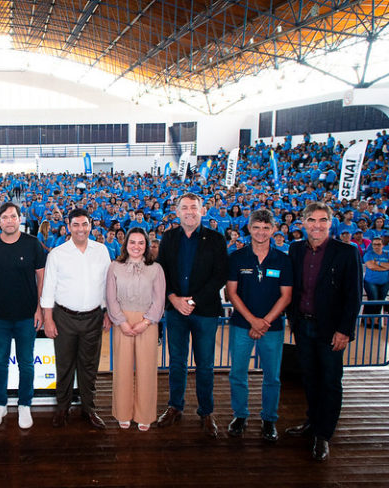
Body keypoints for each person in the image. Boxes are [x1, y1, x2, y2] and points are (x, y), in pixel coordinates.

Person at [285, 202, 362, 462]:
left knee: (330, 380)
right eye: (311, 220)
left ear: (331, 223)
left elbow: (353, 296)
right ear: (303, 223)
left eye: (322, 220)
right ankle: (312, 421)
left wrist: (345, 330)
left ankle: (323, 434)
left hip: (331, 330)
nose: (316, 225)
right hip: (302, 325)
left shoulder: (347, 252)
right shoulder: (295, 250)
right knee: (309, 376)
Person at [155, 193, 228, 438]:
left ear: (202, 211)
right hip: (176, 310)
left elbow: (219, 276)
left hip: (205, 312)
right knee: (177, 363)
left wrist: (193, 301)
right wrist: (174, 298)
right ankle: (175, 407)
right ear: (177, 212)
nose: (189, 211)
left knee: (205, 365)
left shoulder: (216, 239)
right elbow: (161, 272)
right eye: (184, 207)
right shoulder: (168, 237)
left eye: (193, 207)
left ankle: (206, 411)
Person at [225, 209, 293, 442]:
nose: (261, 232)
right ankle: (240, 415)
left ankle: (269, 419)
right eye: (257, 227)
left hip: (272, 328)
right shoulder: (237, 257)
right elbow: (231, 293)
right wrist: (253, 320)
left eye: (266, 228)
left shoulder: (283, 260)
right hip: (242, 325)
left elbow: (286, 296)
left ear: (273, 229)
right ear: (249, 228)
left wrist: (264, 322)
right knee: (237, 373)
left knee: (272, 376)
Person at [42, 208, 111, 429]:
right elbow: (48, 288)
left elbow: (107, 285)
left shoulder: (101, 251)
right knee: (64, 365)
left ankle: (88, 409)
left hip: (93, 317)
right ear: (68, 226)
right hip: (64, 317)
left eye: (84, 224)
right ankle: (62, 408)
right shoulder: (57, 254)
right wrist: (48, 319)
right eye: (76, 225)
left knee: (89, 366)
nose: (81, 229)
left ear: (91, 225)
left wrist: (107, 311)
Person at [0, 202, 45, 430]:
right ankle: (0, 403)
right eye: (4, 217)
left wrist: (39, 308)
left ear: (20, 219)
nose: (9, 220)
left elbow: (41, 278)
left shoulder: (33, 244)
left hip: (27, 316)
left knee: (26, 363)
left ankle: (25, 404)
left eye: (13, 217)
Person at [105, 227, 165, 431]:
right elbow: (110, 298)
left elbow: (159, 300)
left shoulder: (156, 269)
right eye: (133, 242)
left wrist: (146, 322)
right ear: (126, 244)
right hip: (121, 320)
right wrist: (121, 321)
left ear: (146, 246)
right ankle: (123, 412)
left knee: (147, 369)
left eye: (141, 243)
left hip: (147, 322)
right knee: (122, 368)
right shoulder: (114, 267)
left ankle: (144, 414)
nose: (136, 246)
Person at [362, 236, 389, 328]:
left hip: (385, 282)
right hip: (371, 281)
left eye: (378, 244)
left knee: (381, 301)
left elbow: (375, 265)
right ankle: (368, 320)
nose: (376, 246)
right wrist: (384, 267)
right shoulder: (368, 254)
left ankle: (377, 320)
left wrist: (377, 263)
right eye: (374, 244)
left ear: (382, 245)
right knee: (373, 300)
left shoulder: (387, 254)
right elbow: (370, 266)